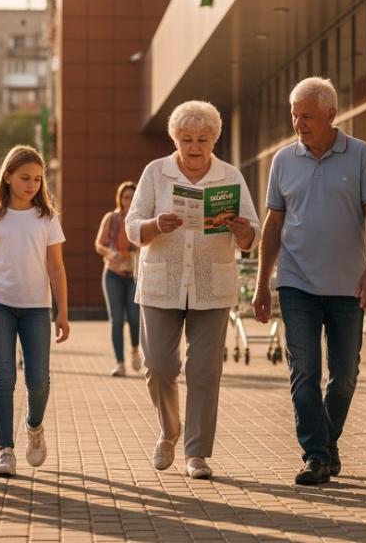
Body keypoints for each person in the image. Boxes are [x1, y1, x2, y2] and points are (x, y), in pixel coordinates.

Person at [252, 77, 366, 486]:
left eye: (306, 115)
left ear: (331, 115)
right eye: (294, 114)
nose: (298, 123)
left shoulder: (361, 155)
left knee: (345, 375)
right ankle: (315, 454)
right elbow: (273, 224)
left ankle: (328, 441)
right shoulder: (283, 160)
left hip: (349, 285)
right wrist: (264, 283)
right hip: (296, 283)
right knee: (305, 368)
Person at [126, 101, 260, 480]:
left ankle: (196, 453)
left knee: (203, 369)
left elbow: (253, 233)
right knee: (159, 366)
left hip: (212, 285)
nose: (195, 146)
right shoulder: (156, 172)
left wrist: (243, 231)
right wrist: (156, 224)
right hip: (161, 283)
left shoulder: (230, 176)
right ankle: (170, 430)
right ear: (176, 139)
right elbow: (133, 226)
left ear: (214, 139)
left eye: (203, 139)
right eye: (187, 139)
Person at [0, 145, 71, 478]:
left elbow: (56, 268)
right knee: (4, 379)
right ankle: (5, 451)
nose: (32, 185)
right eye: (25, 178)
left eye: (38, 179)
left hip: (36, 308)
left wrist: (62, 311)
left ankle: (34, 425)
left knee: (38, 381)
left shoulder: (47, 218)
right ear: (8, 177)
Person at [96, 181, 142, 377]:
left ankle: (134, 350)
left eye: (132, 197)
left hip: (133, 275)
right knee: (116, 320)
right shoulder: (112, 219)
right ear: (120, 199)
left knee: (134, 317)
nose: (129, 201)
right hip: (113, 274)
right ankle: (119, 363)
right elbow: (99, 244)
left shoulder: (141, 220)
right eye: (126, 197)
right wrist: (110, 252)